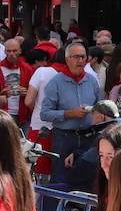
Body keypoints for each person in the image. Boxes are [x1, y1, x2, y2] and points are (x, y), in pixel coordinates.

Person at [42, 42, 103, 186]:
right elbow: (44, 114)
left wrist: (97, 117)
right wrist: (69, 113)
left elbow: (98, 108)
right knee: (60, 180)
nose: (81, 61)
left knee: (88, 180)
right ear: (67, 59)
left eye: (83, 57)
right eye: (76, 57)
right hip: (63, 138)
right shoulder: (56, 82)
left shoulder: (92, 81)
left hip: (88, 137)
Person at [0, 37, 34, 128]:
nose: (11, 54)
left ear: (20, 51)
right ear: (5, 52)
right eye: (9, 51)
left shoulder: (27, 69)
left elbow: (34, 91)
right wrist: (2, 93)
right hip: (4, 114)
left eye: (14, 51)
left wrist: (27, 93)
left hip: (23, 115)